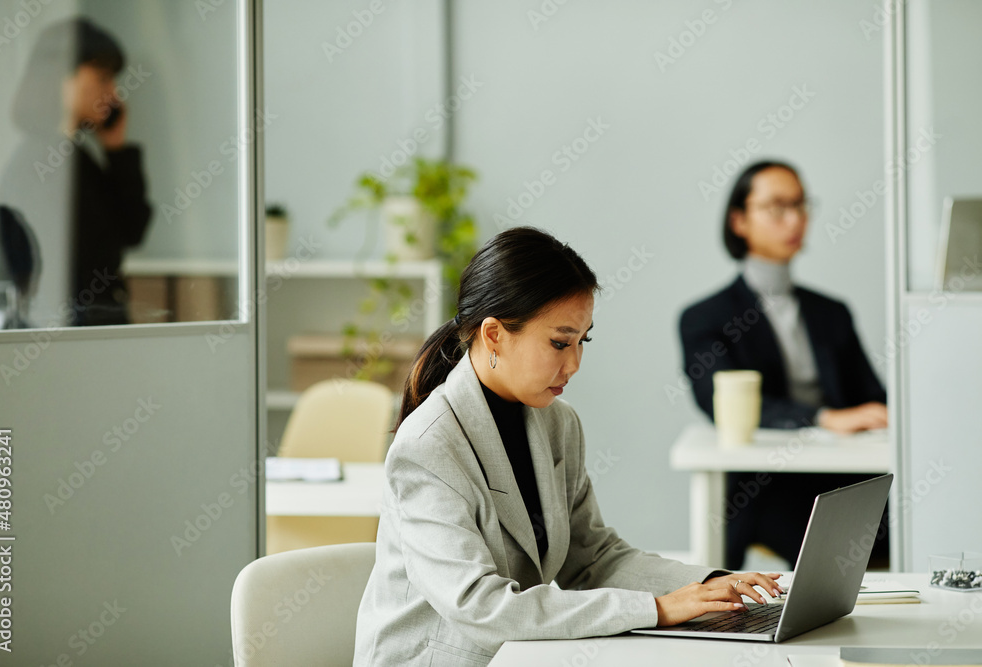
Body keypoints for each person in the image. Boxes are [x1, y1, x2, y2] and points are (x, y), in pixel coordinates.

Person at [354, 227, 783, 666]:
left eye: (583, 341)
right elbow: (479, 606)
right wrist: (656, 609)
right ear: (494, 335)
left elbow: (593, 559)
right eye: (560, 342)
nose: (574, 364)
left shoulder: (558, 423)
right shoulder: (428, 447)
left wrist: (714, 584)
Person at [678, 160, 888, 570]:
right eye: (777, 207)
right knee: (830, 547)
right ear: (739, 220)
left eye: (800, 204)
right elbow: (718, 405)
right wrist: (824, 418)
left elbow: (872, 398)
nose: (794, 219)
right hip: (766, 485)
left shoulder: (831, 312)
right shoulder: (705, 317)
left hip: (847, 478)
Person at [0, 17, 152, 327]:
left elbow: (131, 230)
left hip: (88, 331)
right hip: (73, 338)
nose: (114, 94)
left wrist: (116, 149)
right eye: (103, 78)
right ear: (62, 78)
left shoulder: (77, 159)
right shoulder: (41, 162)